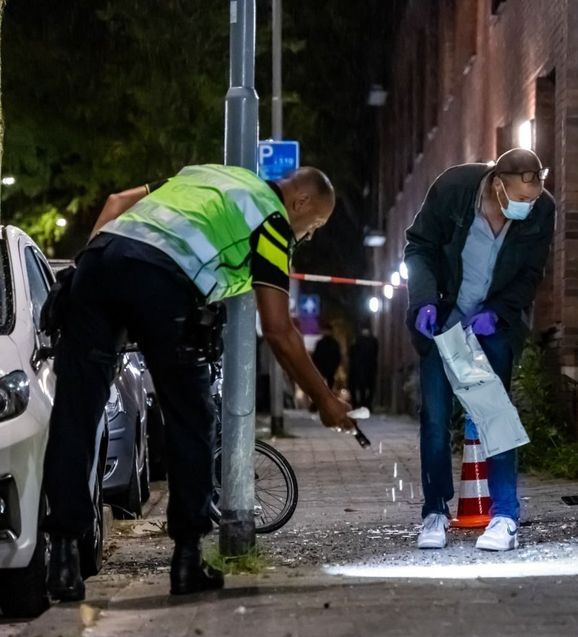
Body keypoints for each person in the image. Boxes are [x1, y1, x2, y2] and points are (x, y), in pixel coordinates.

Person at [43, 164, 355, 601]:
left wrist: (87, 276)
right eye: (315, 224)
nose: (309, 236)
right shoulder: (271, 220)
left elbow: (116, 202)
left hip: (98, 262)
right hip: (161, 280)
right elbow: (279, 329)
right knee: (191, 416)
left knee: (76, 413)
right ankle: (187, 559)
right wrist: (324, 399)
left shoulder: (208, 174)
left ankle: (61, 559)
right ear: (301, 201)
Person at [404, 148, 555, 552]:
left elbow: (530, 275)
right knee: (435, 419)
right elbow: (418, 247)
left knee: (494, 415)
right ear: (497, 183)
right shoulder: (453, 189)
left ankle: (504, 516)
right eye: (520, 199)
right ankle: (435, 512)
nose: (528, 206)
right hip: (443, 318)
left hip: (490, 324)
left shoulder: (542, 211)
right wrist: (423, 302)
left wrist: (499, 313)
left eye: (534, 198)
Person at [348, 324, 379, 408]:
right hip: (367, 367)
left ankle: (363, 403)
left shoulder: (358, 340)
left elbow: (351, 353)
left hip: (362, 368)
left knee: (364, 387)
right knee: (368, 388)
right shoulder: (372, 340)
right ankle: (365, 404)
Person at [311, 322, 343, 390]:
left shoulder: (320, 343)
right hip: (329, 369)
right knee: (329, 386)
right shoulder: (334, 343)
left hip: (322, 369)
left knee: (321, 387)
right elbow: (338, 357)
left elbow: (315, 357)